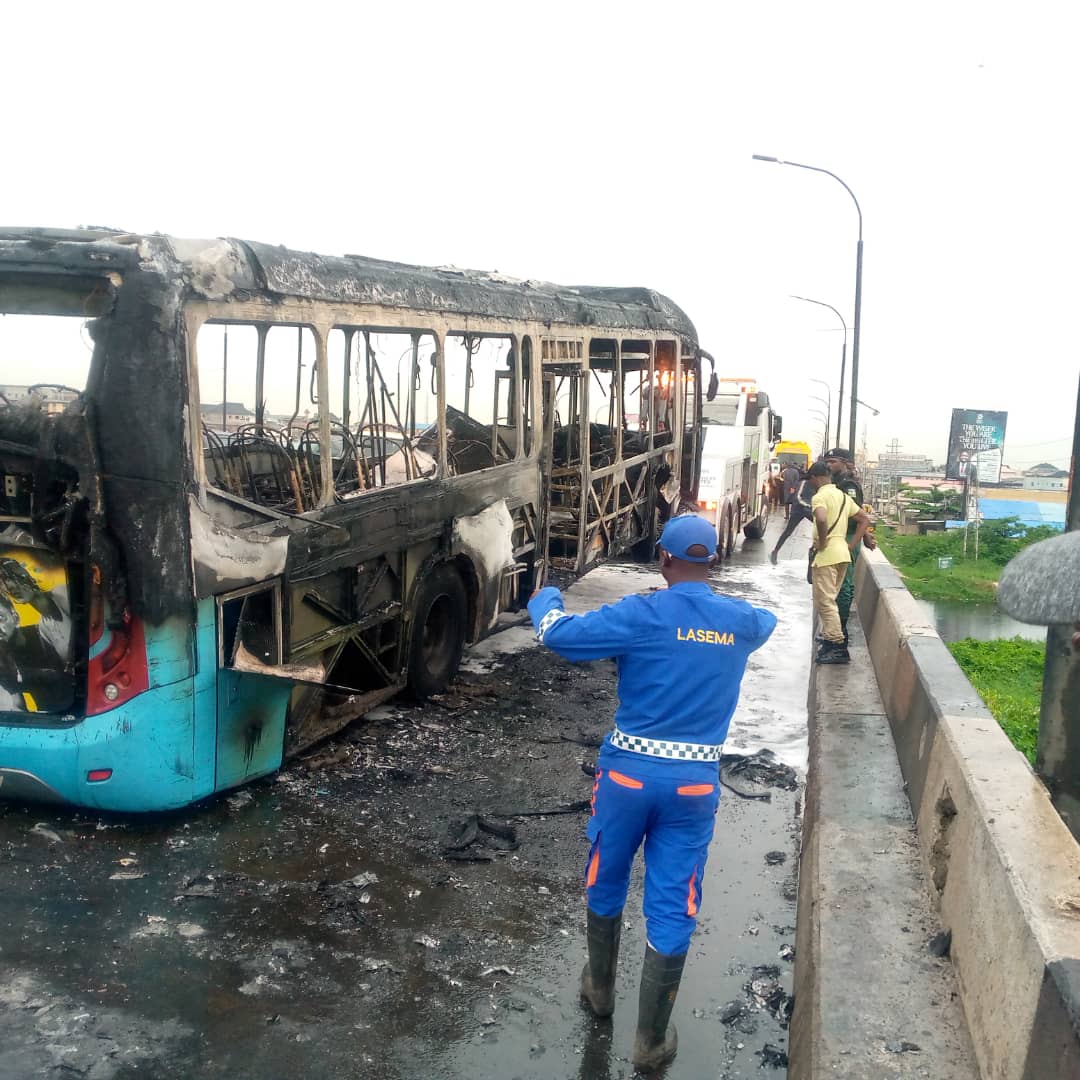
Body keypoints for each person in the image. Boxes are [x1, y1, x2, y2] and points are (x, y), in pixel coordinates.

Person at [527, 515, 776, 1071]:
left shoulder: (639, 614)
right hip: (693, 786)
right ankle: (650, 1042)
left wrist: (544, 598)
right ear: (710, 562)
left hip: (626, 781)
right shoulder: (741, 623)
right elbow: (767, 620)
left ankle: (599, 991)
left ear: (662, 559)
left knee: (606, 875)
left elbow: (559, 636)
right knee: (673, 901)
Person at [809, 461, 871, 664]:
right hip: (842, 553)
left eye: (811, 480)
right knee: (831, 599)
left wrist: (823, 539)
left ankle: (837, 646)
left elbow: (821, 517)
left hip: (827, 556)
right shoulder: (843, 496)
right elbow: (864, 519)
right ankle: (830, 639)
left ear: (816, 478)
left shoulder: (820, 496)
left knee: (825, 602)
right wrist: (851, 545)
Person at [823, 447, 877, 644]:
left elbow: (857, 515)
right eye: (827, 462)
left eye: (833, 462)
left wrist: (861, 538)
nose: (829, 465)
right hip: (839, 536)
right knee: (833, 585)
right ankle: (834, 629)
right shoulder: (836, 483)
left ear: (845, 463)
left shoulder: (848, 485)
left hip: (847, 537)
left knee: (843, 585)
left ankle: (841, 633)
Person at [769, 470, 813, 565]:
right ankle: (775, 551)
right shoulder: (803, 483)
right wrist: (809, 506)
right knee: (788, 531)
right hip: (799, 510)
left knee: (822, 527)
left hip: (809, 509)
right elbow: (798, 497)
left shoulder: (817, 484)